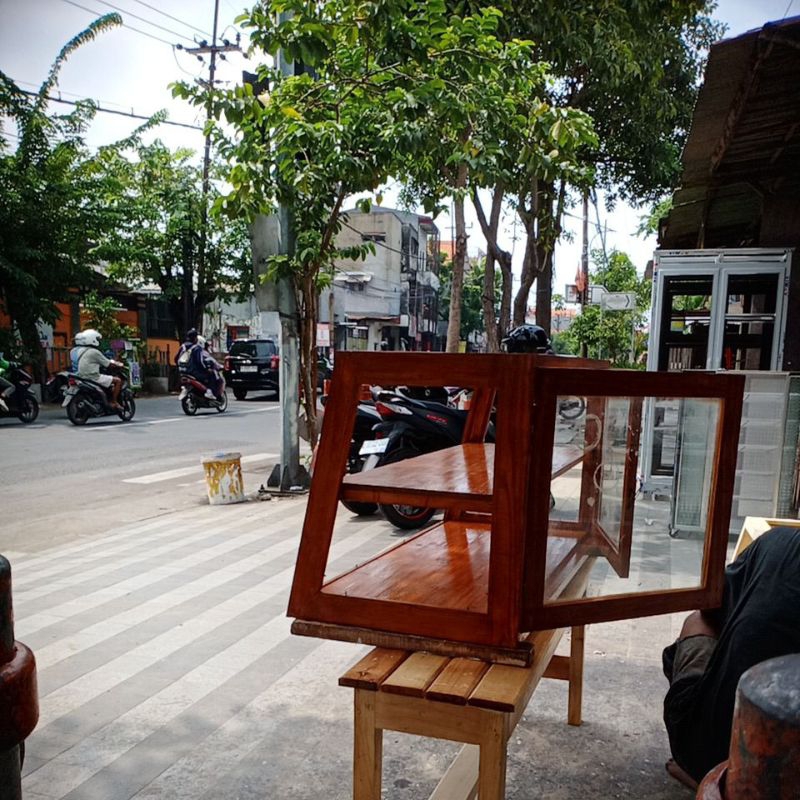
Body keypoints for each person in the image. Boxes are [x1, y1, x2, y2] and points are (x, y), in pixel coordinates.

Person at [662, 526, 800, 788]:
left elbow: (710, 607)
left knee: (697, 621)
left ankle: (711, 776)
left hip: (710, 750)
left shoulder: (779, 542)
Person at [72, 328, 123, 410]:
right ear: (92, 340)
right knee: (118, 380)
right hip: (93, 377)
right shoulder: (94, 352)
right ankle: (114, 401)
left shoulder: (78, 351)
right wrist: (118, 364)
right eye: (97, 339)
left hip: (80, 376)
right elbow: (108, 363)